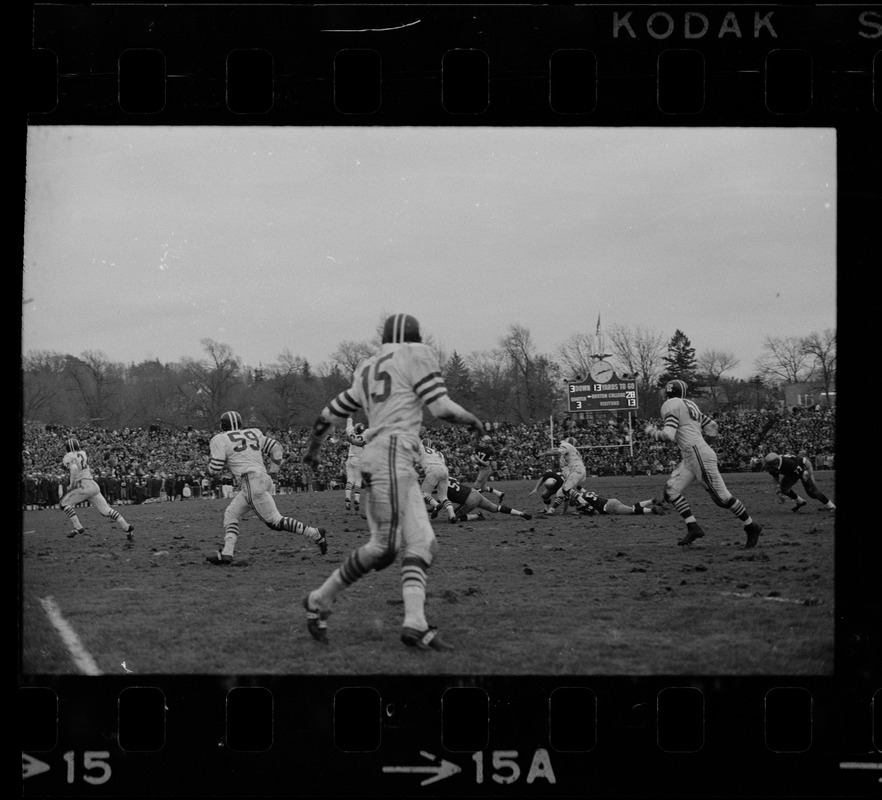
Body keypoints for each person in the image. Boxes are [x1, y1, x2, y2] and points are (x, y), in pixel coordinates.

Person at [301, 312, 485, 652]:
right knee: (384, 549)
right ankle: (319, 600)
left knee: (423, 544)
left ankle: (414, 622)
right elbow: (441, 407)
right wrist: (472, 420)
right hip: (391, 457)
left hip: (392, 460)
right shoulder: (416, 356)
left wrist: (314, 449)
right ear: (415, 339)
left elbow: (331, 412)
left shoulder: (368, 367)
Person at [644, 379, 763, 548]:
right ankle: (693, 527)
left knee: (722, 499)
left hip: (696, 454)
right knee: (671, 491)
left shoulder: (671, 404)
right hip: (693, 455)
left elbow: (667, 436)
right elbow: (713, 426)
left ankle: (751, 526)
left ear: (668, 393)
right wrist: (706, 445)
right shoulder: (690, 405)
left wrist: (650, 431)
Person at [205, 411, 327, 566]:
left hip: (250, 481)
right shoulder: (253, 433)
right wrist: (274, 471)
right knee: (230, 514)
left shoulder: (220, 439)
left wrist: (207, 470)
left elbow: (215, 467)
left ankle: (316, 533)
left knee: (275, 521)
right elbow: (277, 447)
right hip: (261, 479)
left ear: (222, 425)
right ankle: (227, 553)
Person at [60, 437, 135, 542]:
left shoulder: (68, 456)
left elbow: (74, 468)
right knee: (107, 511)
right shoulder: (83, 453)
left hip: (84, 485)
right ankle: (127, 527)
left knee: (64, 504)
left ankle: (78, 527)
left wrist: (71, 484)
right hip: (93, 484)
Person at [763, 453, 836, 512]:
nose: (769, 467)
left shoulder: (788, 464)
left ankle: (831, 506)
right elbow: (775, 479)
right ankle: (800, 502)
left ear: (777, 463)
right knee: (784, 489)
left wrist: (811, 475)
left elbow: (806, 466)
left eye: (770, 465)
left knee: (812, 492)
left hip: (804, 468)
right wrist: (778, 492)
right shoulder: (775, 466)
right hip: (793, 472)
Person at [445, 476, 532, 522]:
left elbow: (443, 498)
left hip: (470, 500)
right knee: (495, 508)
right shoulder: (448, 477)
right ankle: (520, 513)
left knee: (452, 518)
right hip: (475, 493)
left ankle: (477, 516)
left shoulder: (440, 484)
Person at [536, 437, 587, 515]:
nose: (560, 445)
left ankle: (583, 502)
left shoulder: (566, 445)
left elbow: (558, 452)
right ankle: (551, 510)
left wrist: (544, 454)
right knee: (560, 492)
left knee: (566, 489)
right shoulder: (573, 451)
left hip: (576, 470)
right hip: (577, 470)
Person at [416, 435, 458, 524]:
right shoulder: (438, 453)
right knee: (443, 496)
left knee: (424, 493)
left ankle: (436, 505)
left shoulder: (421, 448)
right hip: (444, 470)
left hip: (432, 469)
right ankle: (452, 515)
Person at [343, 418, 367, 513]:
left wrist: (349, 417)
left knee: (350, 480)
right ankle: (356, 500)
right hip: (359, 460)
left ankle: (348, 497)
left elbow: (349, 425)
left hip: (350, 459)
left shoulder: (351, 433)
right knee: (358, 481)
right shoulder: (365, 435)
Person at [472, 434, 505, 503]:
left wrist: (478, 460)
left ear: (487, 443)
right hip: (480, 468)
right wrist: (474, 459)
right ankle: (500, 494)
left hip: (485, 469)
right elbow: (474, 455)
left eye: (482, 442)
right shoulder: (478, 447)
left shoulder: (490, 451)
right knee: (483, 488)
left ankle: (479, 501)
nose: (480, 443)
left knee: (476, 485)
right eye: (480, 441)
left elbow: (487, 464)